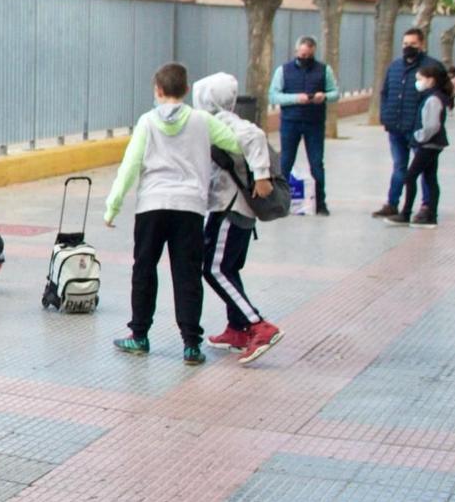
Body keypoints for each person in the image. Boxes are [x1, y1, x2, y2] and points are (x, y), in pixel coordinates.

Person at [103, 63, 244, 366]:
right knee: (187, 274)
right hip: (189, 208)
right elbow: (236, 143)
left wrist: (112, 206)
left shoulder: (146, 122)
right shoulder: (202, 120)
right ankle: (191, 344)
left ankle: (139, 335)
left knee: (144, 270)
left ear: (157, 90)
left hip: (151, 206)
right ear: (186, 89)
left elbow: (130, 166)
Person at [191, 75, 282, 364]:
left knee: (214, 269)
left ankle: (259, 325)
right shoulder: (219, 120)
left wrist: (262, 173)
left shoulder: (223, 121)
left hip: (230, 207)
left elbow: (254, 136)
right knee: (229, 267)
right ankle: (237, 328)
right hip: (235, 207)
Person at [375, 28, 442, 220]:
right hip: (396, 127)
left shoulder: (432, 67)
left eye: (412, 44)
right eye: (405, 44)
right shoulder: (395, 67)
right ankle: (392, 203)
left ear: (422, 44)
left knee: (425, 171)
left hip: (420, 131)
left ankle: (426, 207)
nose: (408, 48)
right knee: (399, 167)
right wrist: (385, 116)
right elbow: (385, 92)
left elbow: (442, 95)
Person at [269, 35, 338, 216]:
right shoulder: (283, 71)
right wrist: (295, 98)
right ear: (296, 52)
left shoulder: (324, 70)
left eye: (309, 55)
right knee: (285, 163)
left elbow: (335, 93)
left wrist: (324, 96)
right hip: (290, 122)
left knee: (316, 164)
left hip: (314, 123)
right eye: (302, 54)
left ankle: (321, 203)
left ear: (314, 52)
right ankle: (280, 203)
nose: (305, 58)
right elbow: (274, 96)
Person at [386, 62, 452, 228]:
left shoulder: (432, 99)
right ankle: (430, 214)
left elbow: (432, 125)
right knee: (430, 178)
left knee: (410, 176)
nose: (417, 83)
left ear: (431, 80)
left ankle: (406, 213)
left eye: (420, 79)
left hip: (428, 144)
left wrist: (419, 136)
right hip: (433, 144)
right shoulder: (433, 97)